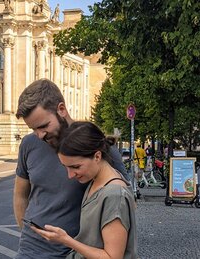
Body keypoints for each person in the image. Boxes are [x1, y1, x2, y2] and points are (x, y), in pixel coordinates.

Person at [14, 79, 129, 258]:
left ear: (61, 109)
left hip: (77, 251)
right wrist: (25, 232)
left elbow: (120, 203)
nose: (40, 135)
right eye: (34, 129)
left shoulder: (95, 144)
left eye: (44, 126)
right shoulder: (29, 144)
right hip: (30, 250)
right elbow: (20, 194)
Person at [31, 121, 137, 259]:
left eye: (76, 167)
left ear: (97, 156)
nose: (70, 175)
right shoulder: (98, 181)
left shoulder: (114, 196)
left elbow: (111, 257)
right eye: (65, 167)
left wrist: (66, 240)